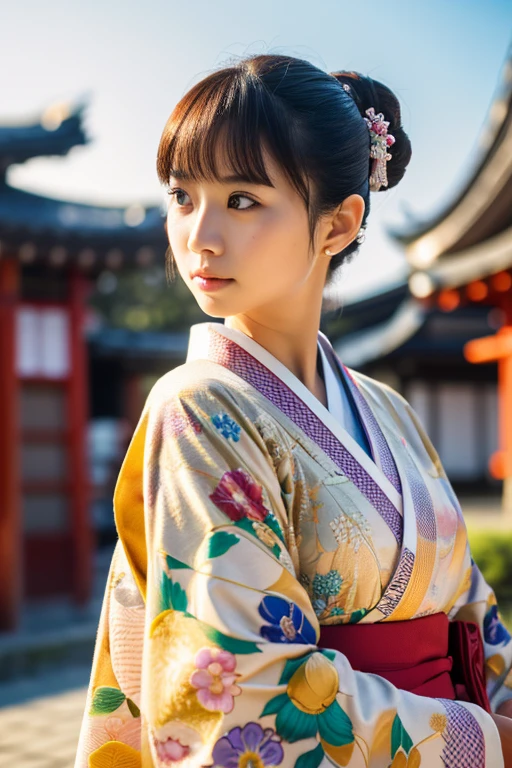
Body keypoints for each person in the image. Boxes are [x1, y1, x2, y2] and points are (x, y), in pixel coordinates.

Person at [75, 55, 512, 767]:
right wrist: (482, 743)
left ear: (337, 224)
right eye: (182, 196)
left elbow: (474, 614)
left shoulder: (388, 412)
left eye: (242, 199)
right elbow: (239, 694)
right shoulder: (199, 404)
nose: (199, 236)